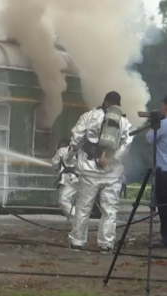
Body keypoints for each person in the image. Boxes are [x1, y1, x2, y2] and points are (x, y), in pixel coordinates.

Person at [65, 91, 133, 254]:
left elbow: (76, 138)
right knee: (109, 210)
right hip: (112, 173)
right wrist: (111, 159)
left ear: (104, 101)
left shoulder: (88, 116)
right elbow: (127, 144)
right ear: (119, 105)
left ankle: (77, 241)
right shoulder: (124, 122)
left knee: (83, 207)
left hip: (88, 170)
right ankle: (106, 244)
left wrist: (69, 157)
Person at [145, 95, 167, 247]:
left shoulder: (164, 125)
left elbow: (149, 138)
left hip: (163, 171)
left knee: (163, 205)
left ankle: (166, 239)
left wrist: (153, 124)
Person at [52, 138, 78, 221]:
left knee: (63, 200)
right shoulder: (83, 152)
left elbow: (55, 164)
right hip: (83, 178)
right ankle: (75, 218)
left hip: (69, 179)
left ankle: (76, 217)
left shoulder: (61, 151)